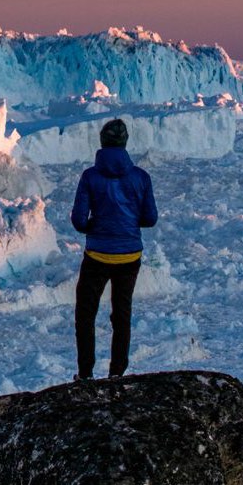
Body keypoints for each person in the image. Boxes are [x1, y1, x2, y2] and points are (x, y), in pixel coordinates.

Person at [69, 117, 158, 381]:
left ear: (102, 142)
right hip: (130, 256)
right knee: (122, 314)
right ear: (125, 142)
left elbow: (78, 220)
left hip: (97, 254)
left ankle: (85, 374)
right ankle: (116, 374)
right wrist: (130, 223)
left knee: (85, 314)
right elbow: (150, 218)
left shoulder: (90, 176)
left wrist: (94, 227)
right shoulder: (141, 177)